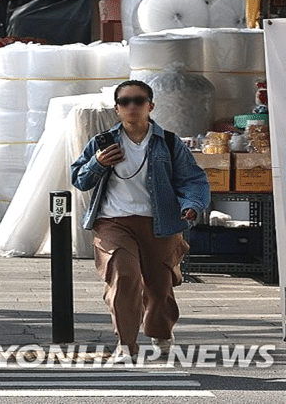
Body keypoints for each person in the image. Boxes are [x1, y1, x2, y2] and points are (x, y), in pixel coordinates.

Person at [70, 80, 210, 360]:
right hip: (113, 222)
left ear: (150, 106)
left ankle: (161, 332)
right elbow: (79, 180)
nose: (131, 107)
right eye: (125, 102)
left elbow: (192, 179)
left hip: (159, 223)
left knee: (159, 287)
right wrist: (98, 162)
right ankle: (126, 345)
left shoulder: (169, 142)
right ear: (117, 108)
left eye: (138, 101)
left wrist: (192, 205)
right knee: (124, 277)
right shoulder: (102, 142)